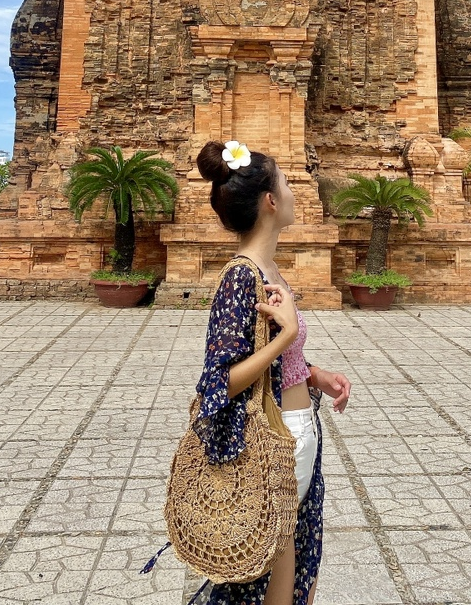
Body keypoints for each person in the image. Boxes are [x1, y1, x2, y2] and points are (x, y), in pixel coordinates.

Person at [193, 139, 352, 605]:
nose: (295, 190)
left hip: (297, 431)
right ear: (270, 201)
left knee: (295, 564)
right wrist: (286, 337)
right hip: (272, 441)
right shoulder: (242, 276)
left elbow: (270, 356)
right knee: (273, 581)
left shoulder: (270, 269)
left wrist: (312, 371)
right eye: (287, 182)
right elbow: (218, 382)